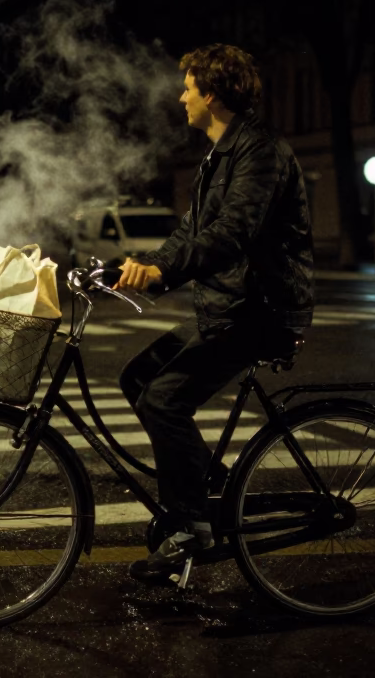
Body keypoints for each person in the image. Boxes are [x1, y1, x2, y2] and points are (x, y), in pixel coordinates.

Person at [112, 44, 314, 582]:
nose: (182, 95)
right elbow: (193, 231)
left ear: (213, 94)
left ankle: (188, 525)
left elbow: (233, 234)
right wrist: (144, 265)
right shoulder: (219, 154)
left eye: (189, 86)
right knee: (137, 377)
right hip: (227, 305)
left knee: (164, 400)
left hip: (261, 309)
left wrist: (164, 272)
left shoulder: (260, 152)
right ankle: (214, 491)